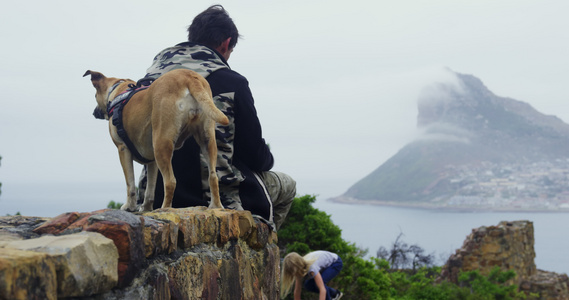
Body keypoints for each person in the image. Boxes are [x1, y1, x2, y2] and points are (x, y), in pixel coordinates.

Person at [137, 5, 295, 230]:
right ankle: (263, 247)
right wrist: (267, 159)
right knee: (288, 185)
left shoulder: (147, 82)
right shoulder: (232, 82)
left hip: (157, 197)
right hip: (218, 198)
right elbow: (254, 155)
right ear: (226, 43)